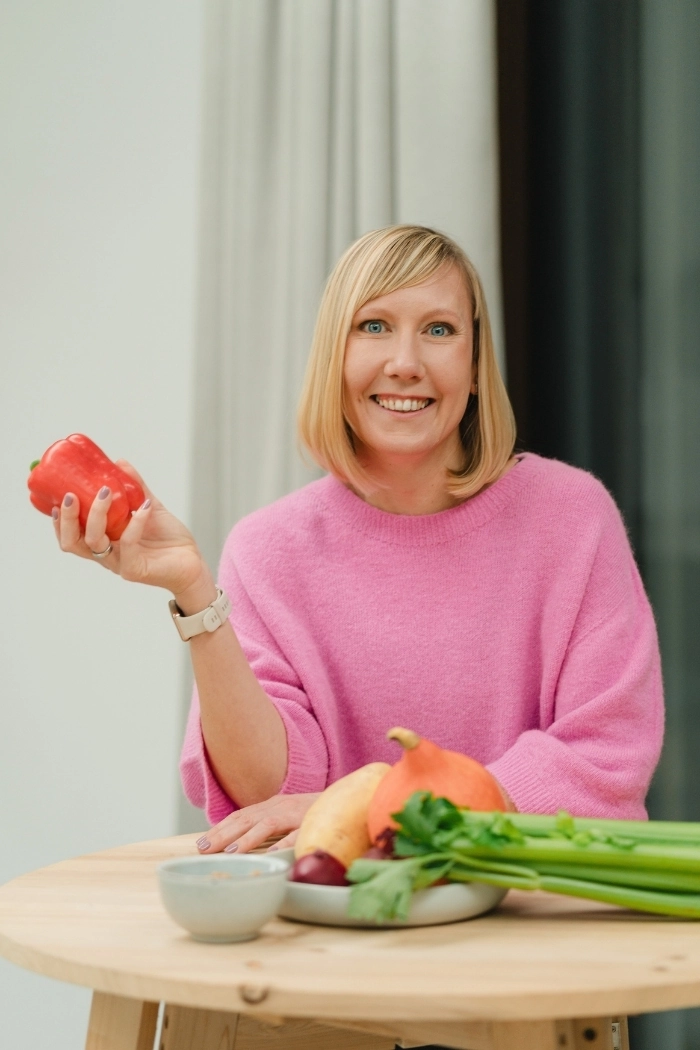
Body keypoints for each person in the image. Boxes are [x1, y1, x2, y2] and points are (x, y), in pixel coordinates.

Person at [53, 225, 664, 859]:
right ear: (334, 358)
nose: (405, 361)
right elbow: (269, 794)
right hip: (341, 927)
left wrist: (381, 809)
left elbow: (603, 759)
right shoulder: (268, 549)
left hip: (532, 917)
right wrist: (193, 593)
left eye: (439, 329)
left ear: (477, 365)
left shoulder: (571, 517)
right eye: (373, 327)